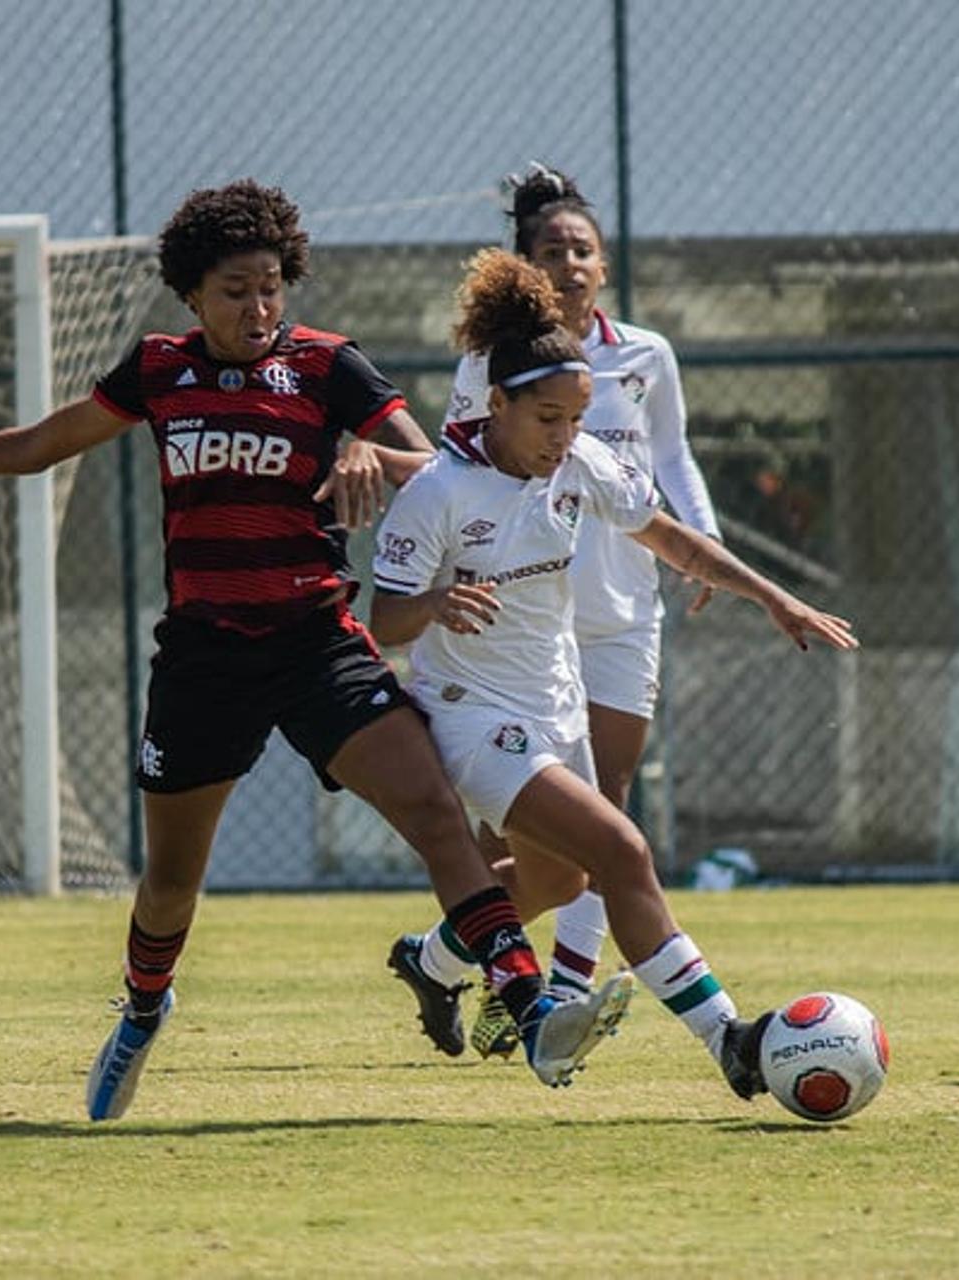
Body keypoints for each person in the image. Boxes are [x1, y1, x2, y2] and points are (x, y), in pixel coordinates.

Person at [0, 179, 631, 1119]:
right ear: (193, 296)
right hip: (204, 658)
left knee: (438, 819)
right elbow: (46, 441)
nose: (260, 306)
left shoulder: (329, 368)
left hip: (320, 644)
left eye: (273, 285)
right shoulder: (160, 369)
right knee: (169, 883)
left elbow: (440, 464)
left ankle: (529, 1012)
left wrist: (369, 455)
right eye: (236, 289)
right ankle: (144, 1008)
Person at [369, 248, 857, 1100]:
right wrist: (438, 603)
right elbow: (384, 620)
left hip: (553, 698)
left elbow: (667, 535)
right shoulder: (438, 494)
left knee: (563, 879)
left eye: (576, 417)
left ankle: (431, 958)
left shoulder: (581, 463)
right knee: (624, 850)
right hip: (469, 715)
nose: (565, 438)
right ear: (498, 404)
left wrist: (771, 596)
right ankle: (731, 1044)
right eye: (547, 419)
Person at [386, 164, 726, 1061]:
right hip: (511, 629)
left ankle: (451, 958)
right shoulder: (490, 380)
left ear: (605, 265)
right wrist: (427, 566)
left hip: (616, 614)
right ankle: (566, 1002)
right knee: (597, 834)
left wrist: (720, 553)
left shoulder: (642, 357)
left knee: (580, 844)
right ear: (527, 267)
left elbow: (671, 464)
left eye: (584, 249)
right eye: (552, 250)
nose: (570, 263)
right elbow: (460, 473)